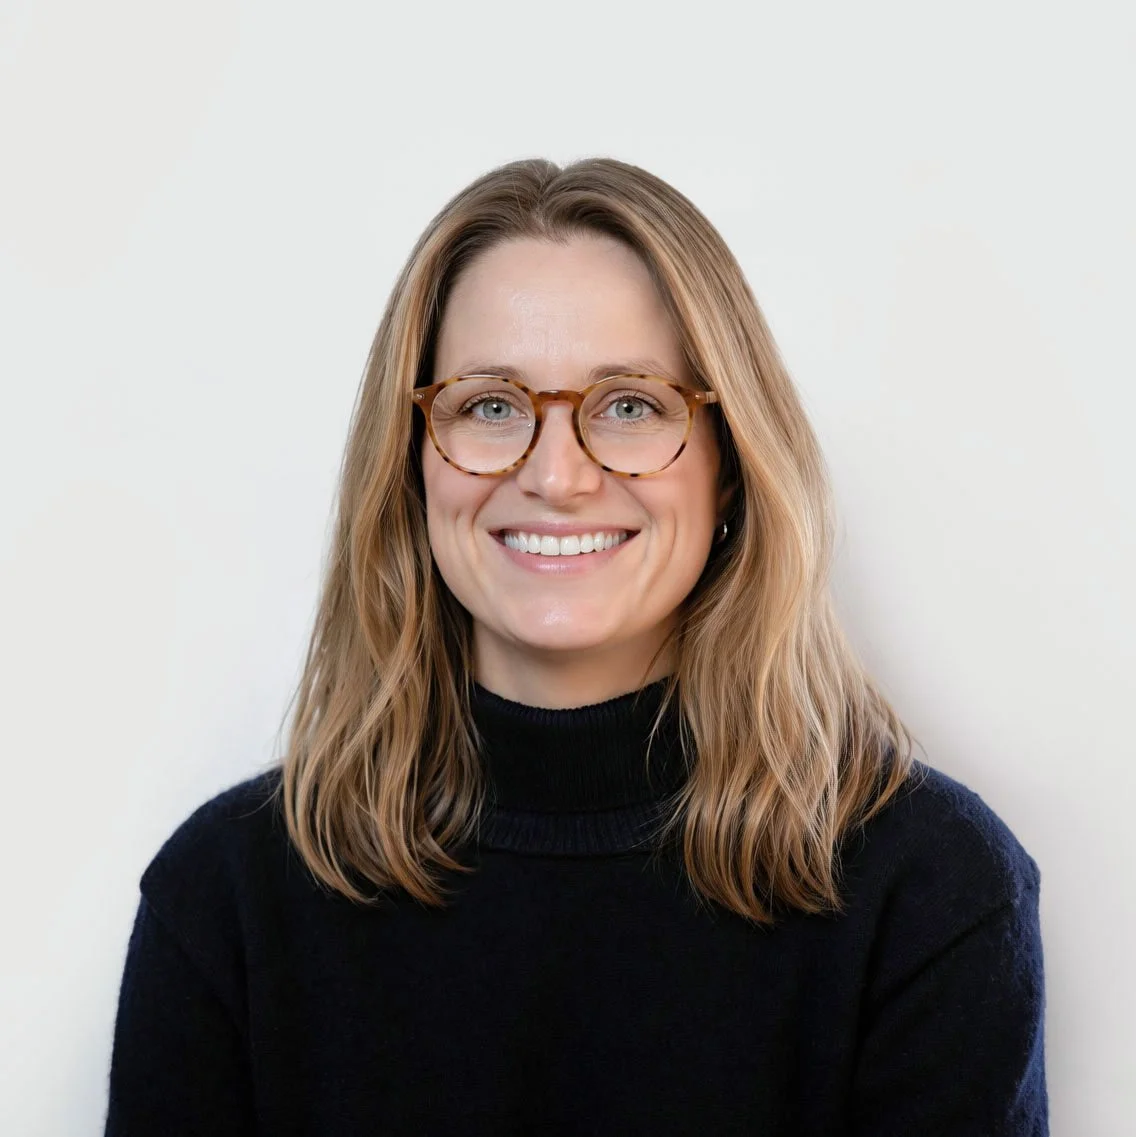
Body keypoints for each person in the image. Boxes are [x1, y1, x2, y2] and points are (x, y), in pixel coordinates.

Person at [103, 157, 1047, 1135]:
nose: (556, 476)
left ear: (728, 466)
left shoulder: (926, 891)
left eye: (631, 405)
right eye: (490, 405)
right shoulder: (227, 898)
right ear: (412, 461)